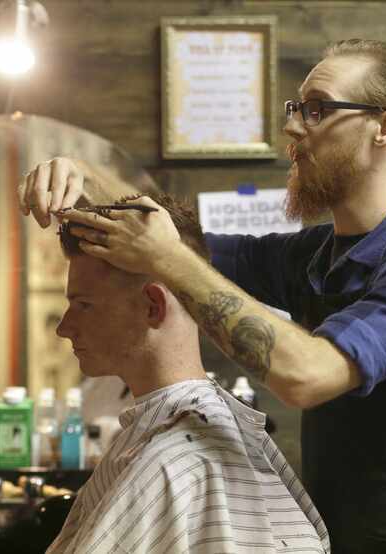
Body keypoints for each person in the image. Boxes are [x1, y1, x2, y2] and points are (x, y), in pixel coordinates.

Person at [20, 38, 386, 554]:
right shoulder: (310, 255)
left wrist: (168, 259)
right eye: (297, 108)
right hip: (329, 533)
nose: (292, 127)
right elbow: (176, 244)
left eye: (318, 110)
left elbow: (308, 375)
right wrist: (78, 177)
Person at [45, 194, 330, 553]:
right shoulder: (167, 440)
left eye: (83, 304)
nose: (64, 328)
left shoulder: (174, 462)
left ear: (153, 306)